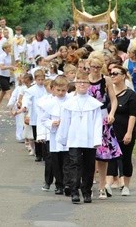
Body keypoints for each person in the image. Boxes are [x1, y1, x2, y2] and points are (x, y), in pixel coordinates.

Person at [58, 71, 103, 204]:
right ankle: (74, 191)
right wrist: (63, 138)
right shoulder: (69, 103)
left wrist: (97, 140)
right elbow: (65, 121)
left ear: (89, 84)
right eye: (79, 81)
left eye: (85, 81)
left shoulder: (94, 103)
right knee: (75, 164)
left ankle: (87, 191)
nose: (82, 84)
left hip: (89, 139)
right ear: (75, 84)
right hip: (74, 138)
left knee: (89, 166)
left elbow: (97, 123)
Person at [85, 53, 122, 200]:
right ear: (89, 65)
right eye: (93, 66)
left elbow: (113, 100)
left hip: (101, 116)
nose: (95, 69)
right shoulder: (84, 79)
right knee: (87, 153)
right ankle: (87, 185)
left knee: (102, 154)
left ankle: (102, 187)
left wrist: (111, 113)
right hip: (87, 116)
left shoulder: (105, 80)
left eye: (98, 67)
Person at [108, 65, 136, 196]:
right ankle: (108, 184)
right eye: (111, 73)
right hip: (110, 131)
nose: (113, 76)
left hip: (125, 129)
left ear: (123, 76)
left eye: (116, 73)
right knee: (110, 158)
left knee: (125, 158)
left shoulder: (130, 94)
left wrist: (129, 132)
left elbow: (133, 115)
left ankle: (125, 185)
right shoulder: (108, 91)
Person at [40, 75, 70, 195]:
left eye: (63, 90)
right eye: (58, 90)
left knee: (67, 161)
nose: (61, 93)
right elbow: (43, 119)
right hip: (55, 135)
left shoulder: (70, 101)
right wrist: (52, 123)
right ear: (53, 89)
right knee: (56, 162)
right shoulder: (50, 103)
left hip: (68, 136)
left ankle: (68, 183)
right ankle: (59, 184)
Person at [0, 42, 15, 114]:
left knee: (2, 93)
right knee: (8, 91)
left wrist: (13, 68)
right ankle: (12, 108)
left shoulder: (9, 56)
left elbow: (9, 65)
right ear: (5, 48)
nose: (10, 48)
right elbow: (2, 67)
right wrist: (10, 67)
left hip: (7, 76)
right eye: (8, 47)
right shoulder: (2, 56)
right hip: (2, 76)